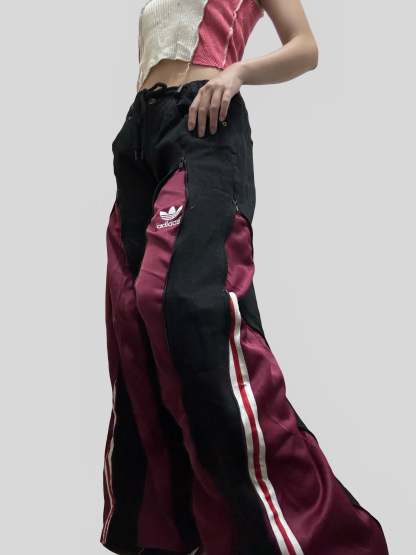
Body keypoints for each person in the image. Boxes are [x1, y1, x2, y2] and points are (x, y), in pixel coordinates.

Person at [100, 1, 390, 554]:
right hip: (139, 136)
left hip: (203, 121)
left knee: (188, 304)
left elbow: (305, 47)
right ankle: (177, 534)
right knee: (134, 323)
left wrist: (237, 73)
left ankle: (314, 534)